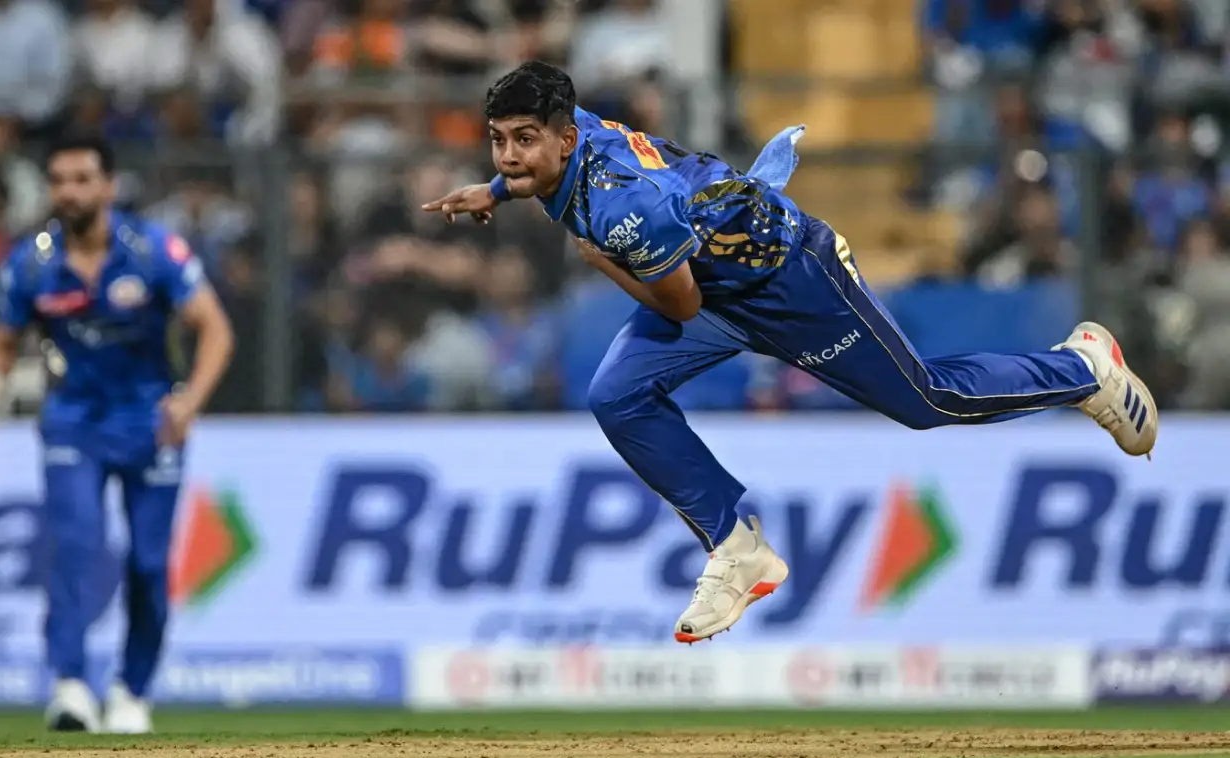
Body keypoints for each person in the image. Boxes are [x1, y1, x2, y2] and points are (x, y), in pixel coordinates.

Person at [423, 61, 1159, 645]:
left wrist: (603, 264)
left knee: (928, 400)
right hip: (714, 282)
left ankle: (1082, 369)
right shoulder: (567, 134)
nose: (509, 153)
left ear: (565, 139)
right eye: (499, 139)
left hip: (789, 282)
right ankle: (736, 546)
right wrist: (496, 189)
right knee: (617, 394)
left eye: (523, 140)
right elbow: (550, 170)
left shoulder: (623, 207)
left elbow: (677, 306)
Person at [0, 135, 234, 733]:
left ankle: (132, 692)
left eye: (82, 179)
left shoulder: (153, 250)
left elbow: (215, 328)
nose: (69, 192)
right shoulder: (32, 263)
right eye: (59, 180)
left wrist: (190, 402)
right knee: (75, 547)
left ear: (108, 186)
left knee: (149, 563)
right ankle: (71, 685)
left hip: (149, 422)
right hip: (72, 421)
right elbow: (0, 351)